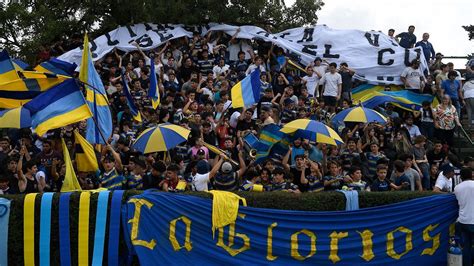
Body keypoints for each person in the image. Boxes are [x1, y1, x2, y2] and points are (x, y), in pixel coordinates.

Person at [453, 167, 474, 266]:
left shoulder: (457, 188)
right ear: (471, 175)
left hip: (463, 221)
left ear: (460, 177)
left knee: (466, 247)